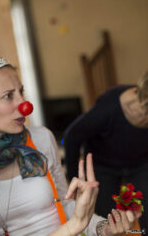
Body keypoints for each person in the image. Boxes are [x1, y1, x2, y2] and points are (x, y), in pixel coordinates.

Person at [0, 55, 139, 236]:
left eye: (21, 91)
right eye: (8, 96)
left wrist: (103, 228)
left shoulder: (41, 139)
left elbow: (66, 206)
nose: (24, 103)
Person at [64, 71, 148, 230]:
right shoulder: (109, 105)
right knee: (105, 222)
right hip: (103, 166)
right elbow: (72, 136)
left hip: (140, 163)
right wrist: (74, 179)